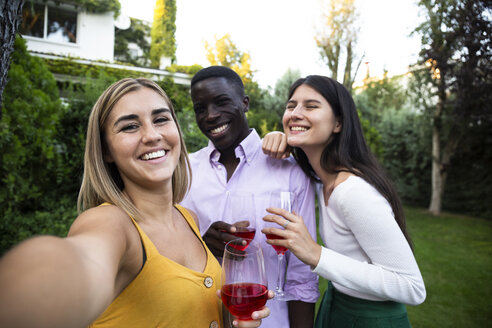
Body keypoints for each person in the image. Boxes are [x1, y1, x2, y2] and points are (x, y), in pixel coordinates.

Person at [0, 77, 272, 328]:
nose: (152, 135)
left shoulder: (189, 218)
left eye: (161, 119)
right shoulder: (111, 223)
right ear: (106, 150)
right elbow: (74, 267)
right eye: (130, 126)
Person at [261, 75, 426, 327]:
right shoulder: (321, 178)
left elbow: (411, 287)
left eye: (311, 106)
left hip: (372, 320)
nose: (295, 113)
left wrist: (317, 255)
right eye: (291, 106)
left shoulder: (353, 191)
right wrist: (279, 137)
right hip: (337, 306)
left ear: (338, 123)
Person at [180, 66, 319, 328]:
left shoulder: (290, 171)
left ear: (245, 103)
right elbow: (167, 257)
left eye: (221, 102)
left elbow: (302, 277)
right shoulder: (183, 171)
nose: (211, 115)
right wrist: (200, 245)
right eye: (201, 108)